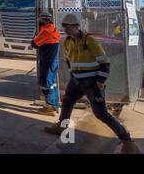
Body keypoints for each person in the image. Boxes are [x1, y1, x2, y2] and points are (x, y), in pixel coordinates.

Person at [44, 13, 141, 154]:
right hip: (76, 80)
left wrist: (100, 81)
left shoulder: (91, 42)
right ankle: (62, 126)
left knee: (101, 113)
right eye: (64, 26)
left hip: (92, 83)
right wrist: (73, 74)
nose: (65, 29)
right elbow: (68, 60)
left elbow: (105, 64)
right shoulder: (67, 42)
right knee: (67, 102)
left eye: (68, 26)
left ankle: (128, 142)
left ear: (77, 26)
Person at [31, 12, 61, 116]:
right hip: (54, 61)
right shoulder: (54, 29)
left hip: (47, 61)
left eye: (41, 20)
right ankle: (54, 104)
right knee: (52, 84)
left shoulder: (45, 31)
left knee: (46, 83)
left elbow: (34, 44)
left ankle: (50, 107)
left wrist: (36, 36)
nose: (39, 22)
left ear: (45, 20)